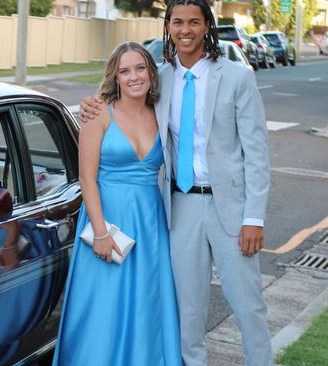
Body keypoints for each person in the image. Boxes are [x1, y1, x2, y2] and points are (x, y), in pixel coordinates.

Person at [79, 1, 273, 365]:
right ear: (168, 26)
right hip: (180, 206)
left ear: (207, 27)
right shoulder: (160, 78)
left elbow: (257, 153)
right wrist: (90, 103)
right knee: (188, 310)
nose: (185, 30)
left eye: (194, 22)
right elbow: (120, 99)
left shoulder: (237, 77)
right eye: (178, 22)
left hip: (231, 207)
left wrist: (255, 217)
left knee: (248, 305)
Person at [52, 41, 181, 365]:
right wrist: (100, 233)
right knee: (103, 309)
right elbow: (87, 179)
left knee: (147, 305)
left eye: (140, 68)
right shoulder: (98, 114)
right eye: (125, 70)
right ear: (115, 77)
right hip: (106, 220)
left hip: (149, 224)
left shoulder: (162, 113)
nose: (134, 76)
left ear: (151, 73)